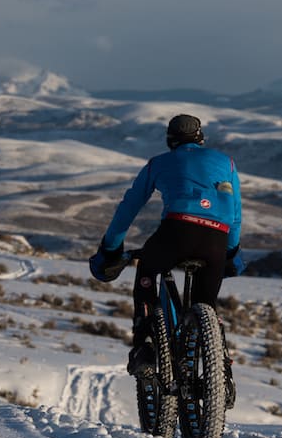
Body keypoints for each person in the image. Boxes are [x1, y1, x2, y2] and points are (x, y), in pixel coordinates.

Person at [89, 113, 244, 379]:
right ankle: (221, 371)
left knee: (148, 268)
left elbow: (128, 208)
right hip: (216, 240)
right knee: (207, 303)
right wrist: (231, 253)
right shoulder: (225, 162)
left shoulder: (158, 164)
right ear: (201, 138)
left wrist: (111, 248)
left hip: (176, 232)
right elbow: (236, 215)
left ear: (170, 141)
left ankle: (146, 344)